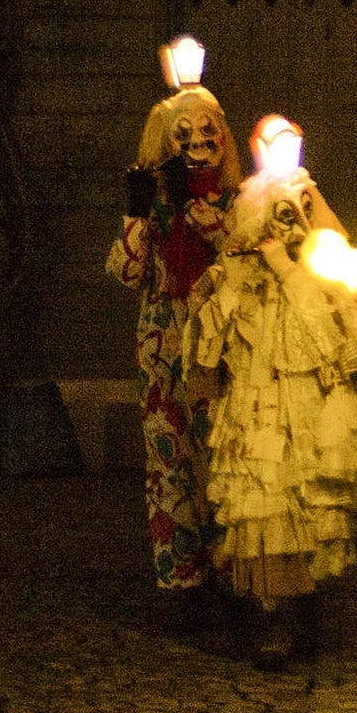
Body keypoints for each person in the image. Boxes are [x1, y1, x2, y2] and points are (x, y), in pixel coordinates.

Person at [185, 115, 357, 671]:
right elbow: (211, 335)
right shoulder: (236, 268)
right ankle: (263, 613)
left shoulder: (315, 268)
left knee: (306, 500)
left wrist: (288, 268)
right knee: (258, 499)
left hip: (303, 401)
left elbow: (330, 337)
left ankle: (302, 616)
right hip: (254, 398)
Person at [104, 78, 239, 629]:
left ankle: (234, 576)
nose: (199, 143)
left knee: (225, 456)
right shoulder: (155, 205)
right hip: (162, 343)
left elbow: (237, 248)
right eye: (184, 134)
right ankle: (183, 584)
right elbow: (127, 271)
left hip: (219, 341)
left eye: (211, 131)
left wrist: (195, 207)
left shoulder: (235, 199)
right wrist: (141, 213)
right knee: (169, 464)